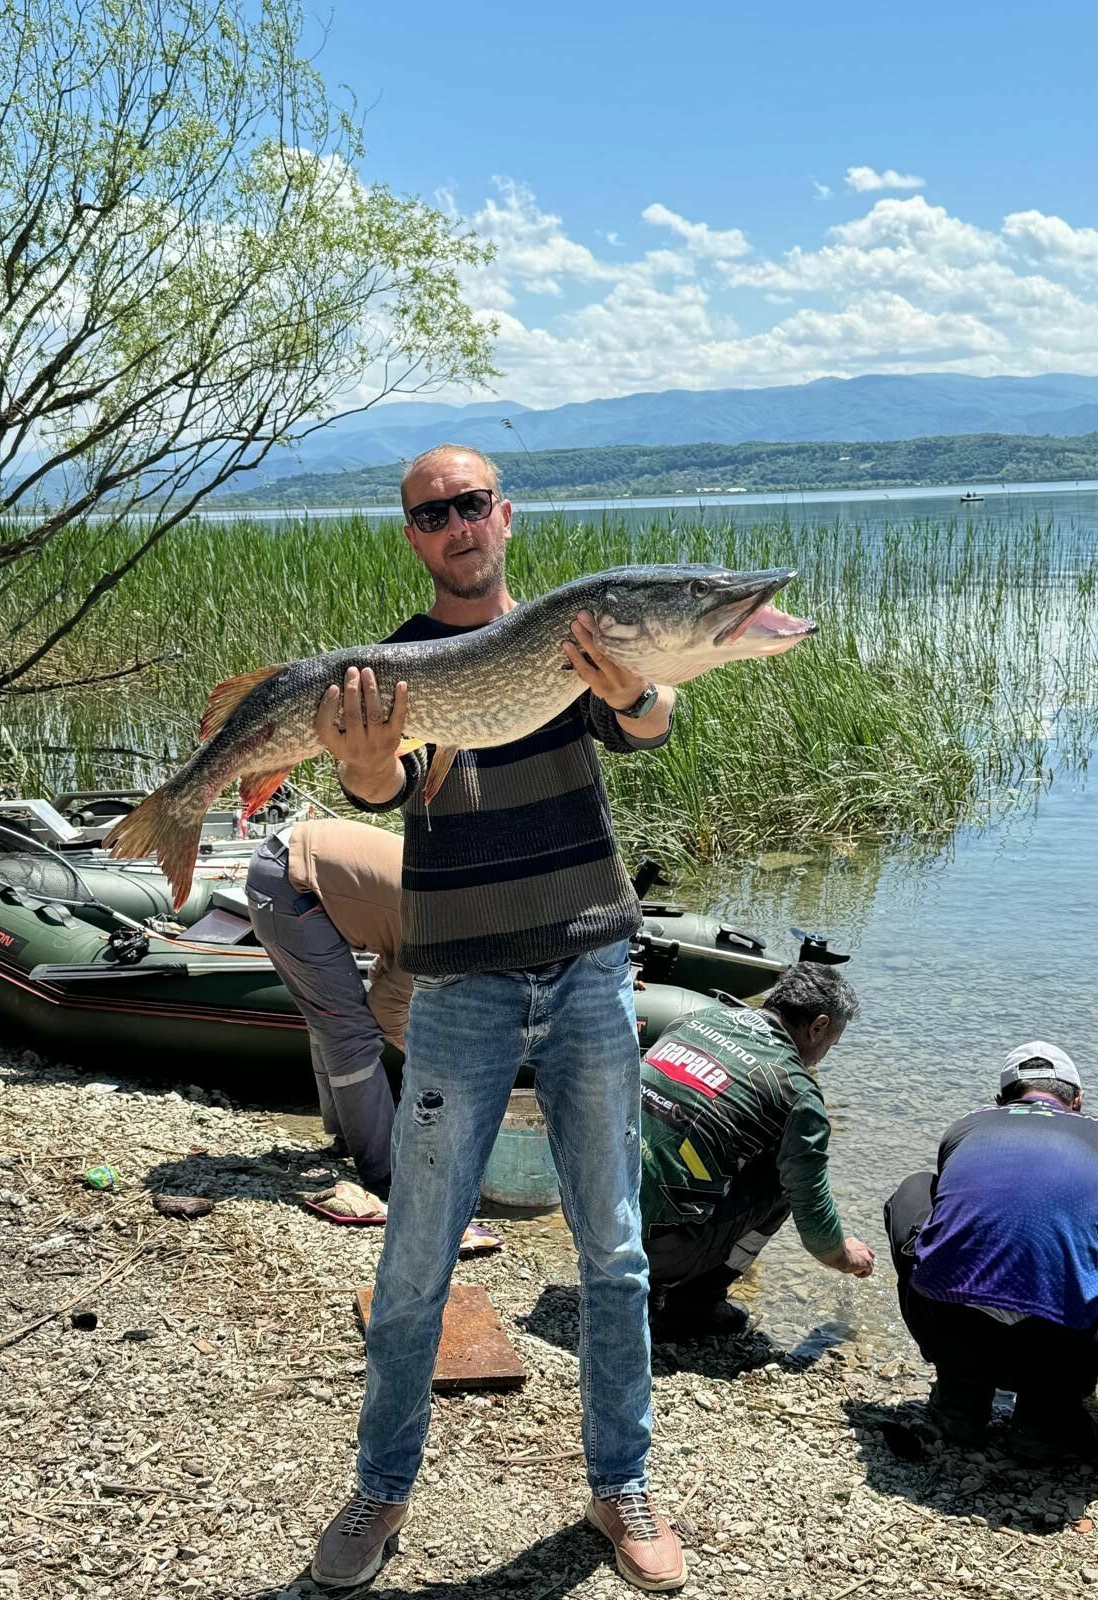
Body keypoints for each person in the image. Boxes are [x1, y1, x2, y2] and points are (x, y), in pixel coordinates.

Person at [307, 445, 687, 1593]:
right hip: (460, 988)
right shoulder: (395, 666)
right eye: (434, 514)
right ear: (414, 537)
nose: (457, 524)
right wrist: (364, 768)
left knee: (614, 1247)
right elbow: (382, 787)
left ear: (505, 517)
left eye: (472, 504)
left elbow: (651, 722)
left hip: (588, 970)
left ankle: (622, 1482)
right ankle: (380, 1488)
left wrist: (638, 694)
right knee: (416, 1253)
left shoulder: (574, 635)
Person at [884, 1041, 1098, 1460]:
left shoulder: (966, 1126)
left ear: (1000, 1100)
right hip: (1061, 1350)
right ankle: (1047, 1417)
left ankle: (960, 1400)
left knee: (917, 1188)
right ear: (1077, 1101)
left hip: (945, 1331)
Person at [640, 963, 874, 1340]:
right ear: (818, 1027)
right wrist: (845, 1256)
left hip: (589, 1216)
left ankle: (640, 1277)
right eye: (831, 1043)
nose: (823, 1055)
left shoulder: (696, 1020)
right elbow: (814, 1219)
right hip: (653, 1249)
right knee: (783, 1179)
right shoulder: (797, 1093)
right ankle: (694, 1303)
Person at [244, 817, 409, 1195]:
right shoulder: (445, 943)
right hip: (288, 879)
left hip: (286, 858)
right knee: (350, 1031)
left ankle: (346, 1135)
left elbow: (386, 966)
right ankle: (384, 1175)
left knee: (331, 1018)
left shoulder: (454, 911)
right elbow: (385, 1011)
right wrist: (423, 1056)